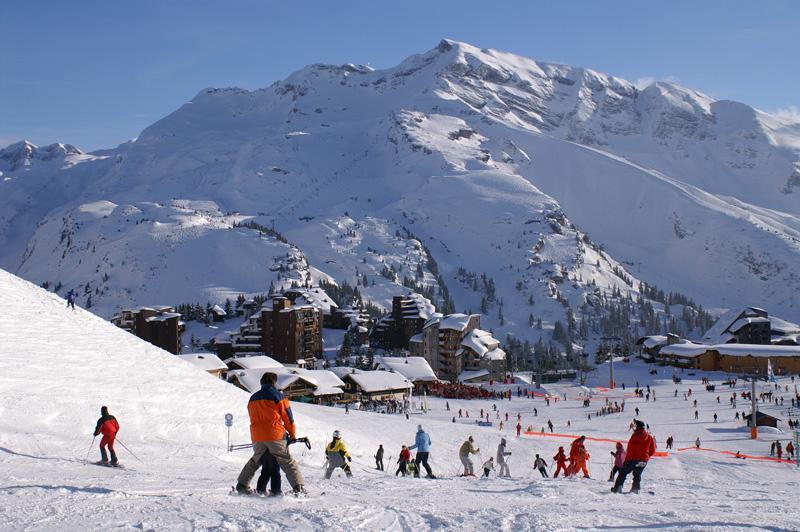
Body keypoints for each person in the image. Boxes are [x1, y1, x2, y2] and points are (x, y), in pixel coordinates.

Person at [236, 372, 305, 495]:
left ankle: (242, 485)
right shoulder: (278, 396)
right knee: (287, 461)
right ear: (274, 382)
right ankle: (298, 487)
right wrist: (292, 434)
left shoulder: (252, 398)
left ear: (262, 382)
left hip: (257, 436)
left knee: (255, 461)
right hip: (275, 434)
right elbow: (288, 418)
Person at [611, 420, 656, 494]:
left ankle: (617, 488)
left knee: (623, 472)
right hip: (644, 461)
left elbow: (630, 451)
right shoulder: (650, 437)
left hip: (634, 460)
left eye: (635, 427)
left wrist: (627, 461)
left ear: (638, 427)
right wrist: (646, 457)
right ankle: (635, 489)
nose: (634, 429)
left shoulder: (634, 437)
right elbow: (652, 451)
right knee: (637, 474)